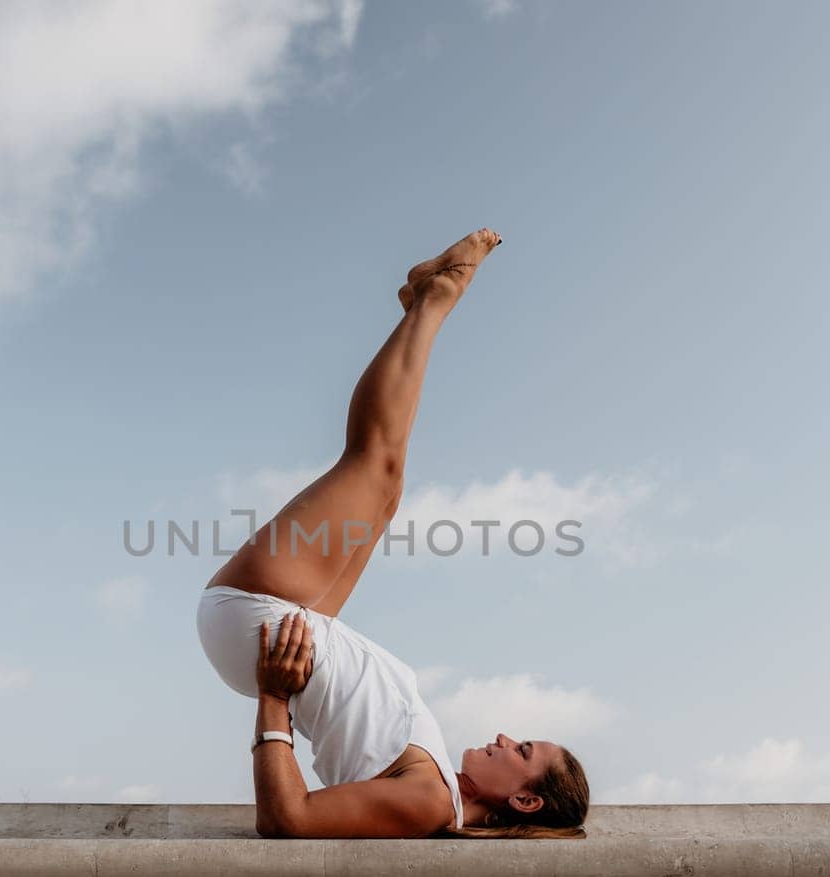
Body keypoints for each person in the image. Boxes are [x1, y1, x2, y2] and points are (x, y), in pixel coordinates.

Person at [196, 229, 589, 839]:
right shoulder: (438, 791)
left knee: (372, 461)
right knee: (387, 490)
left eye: (525, 750)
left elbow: (288, 820)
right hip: (293, 625)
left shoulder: (431, 804)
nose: (507, 737)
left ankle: (436, 296)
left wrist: (272, 698)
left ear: (528, 801)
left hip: (261, 621)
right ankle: (423, 303)